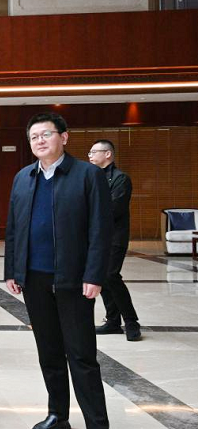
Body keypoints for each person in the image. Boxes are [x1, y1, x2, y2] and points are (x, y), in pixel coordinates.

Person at [4, 113, 126, 429]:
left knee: (82, 354)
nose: (40, 141)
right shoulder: (24, 178)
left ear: (64, 137)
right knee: (49, 352)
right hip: (34, 279)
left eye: (46, 134)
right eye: (34, 137)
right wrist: (13, 269)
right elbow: (14, 228)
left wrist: (95, 275)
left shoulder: (87, 175)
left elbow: (101, 229)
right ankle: (57, 414)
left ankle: (98, 427)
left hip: (73, 279)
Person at [88, 139, 141, 342]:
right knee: (101, 277)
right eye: (89, 153)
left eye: (94, 152)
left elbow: (113, 209)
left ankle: (131, 321)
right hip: (94, 236)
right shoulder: (91, 177)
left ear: (108, 154)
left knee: (111, 275)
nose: (90, 156)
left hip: (114, 236)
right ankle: (112, 321)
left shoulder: (121, 179)